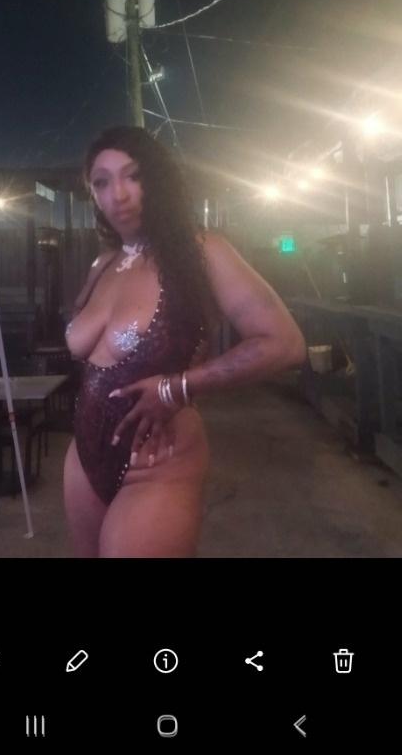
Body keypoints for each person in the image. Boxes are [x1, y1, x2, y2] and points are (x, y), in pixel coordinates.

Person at [64, 125, 306, 558]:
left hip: (158, 463)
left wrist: (175, 387)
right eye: (101, 182)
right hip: (82, 458)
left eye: (134, 175)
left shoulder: (202, 251)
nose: (118, 194)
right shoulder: (102, 264)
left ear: (159, 179)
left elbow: (283, 343)